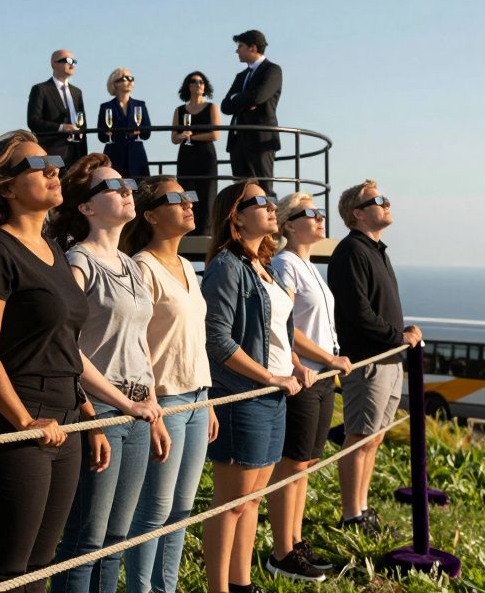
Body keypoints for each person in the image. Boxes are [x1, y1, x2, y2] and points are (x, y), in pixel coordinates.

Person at [0, 130, 110, 592]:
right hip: (17, 422)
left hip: (65, 419)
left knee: (41, 567)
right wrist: (22, 420)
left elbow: (62, 345)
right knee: (6, 571)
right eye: (37, 165)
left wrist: (87, 416)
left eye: (54, 161)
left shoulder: (53, 249)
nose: (53, 169)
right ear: (6, 187)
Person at [48, 154, 164, 593]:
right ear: (86, 207)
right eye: (112, 187)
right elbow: (68, 347)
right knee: (85, 540)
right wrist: (98, 412)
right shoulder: (79, 262)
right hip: (101, 410)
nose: (126, 191)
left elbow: (140, 344)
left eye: (127, 184)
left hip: (136, 410)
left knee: (117, 539)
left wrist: (149, 406)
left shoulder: (134, 265)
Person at [200, 180, 314, 593]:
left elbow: (279, 333)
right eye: (260, 202)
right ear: (236, 215)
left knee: (251, 500)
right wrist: (269, 377)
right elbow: (216, 338)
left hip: (274, 396)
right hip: (243, 397)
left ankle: (241, 583)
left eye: (270, 200)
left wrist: (296, 365)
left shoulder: (261, 265)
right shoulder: (226, 266)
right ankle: (219, 588)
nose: (271, 207)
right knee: (230, 504)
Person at [120, 176, 218, 593]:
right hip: (164, 400)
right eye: (174, 199)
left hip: (196, 397)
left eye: (189, 196)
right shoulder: (142, 266)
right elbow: (136, 346)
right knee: (154, 511)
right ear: (150, 214)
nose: (188, 203)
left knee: (182, 509)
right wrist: (150, 406)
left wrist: (208, 399)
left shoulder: (188, 270)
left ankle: (167, 587)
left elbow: (193, 340)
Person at [266, 193, 356, 581]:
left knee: (306, 463)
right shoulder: (285, 263)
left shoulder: (307, 264)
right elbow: (286, 324)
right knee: (291, 465)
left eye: (320, 213)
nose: (320, 218)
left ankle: (295, 541)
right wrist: (308, 362)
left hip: (320, 376)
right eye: (310, 214)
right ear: (288, 224)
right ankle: (281, 551)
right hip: (307, 375)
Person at [329, 181, 422, 534]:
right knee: (359, 437)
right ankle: (352, 515)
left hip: (388, 359)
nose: (387, 203)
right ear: (357, 212)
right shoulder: (351, 251)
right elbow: (358, 312)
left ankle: (362, 510)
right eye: (378, 200)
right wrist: (398, 337)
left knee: (373, 438)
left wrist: (402, 334)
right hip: (369, 361)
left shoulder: (375, 250)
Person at [220, 30, 282, 199]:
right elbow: (225, 106)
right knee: (241, 192)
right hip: (238, 141)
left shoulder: (272, 71)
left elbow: (259, 96)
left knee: (264, 189)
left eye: (240, 46)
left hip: (261, 140)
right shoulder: (241, 76)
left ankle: (271, 223)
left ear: (253, 48)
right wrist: (246, 102)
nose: (236, 51)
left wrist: (237, 99)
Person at [172, 71, 220, 235]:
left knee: (207, 195)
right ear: (188, 86)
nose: (198, 84)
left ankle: (206, 232)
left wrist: (193, 136)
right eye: (194, 81)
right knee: (187, 192)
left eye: (201, 81)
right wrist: (182, 136)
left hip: (205, 156)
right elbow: (174, 138)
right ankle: (187, 230)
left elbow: (215, 134)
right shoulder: (179, 110)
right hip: (186, 155)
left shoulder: (211, 107)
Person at [27, 49, 88, 166]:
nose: (72, 64)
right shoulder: (40, 89)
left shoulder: (77, 92)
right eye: (68, 60)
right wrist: (61, 127)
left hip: (76, 154)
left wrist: (84, 155)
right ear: (54, 63)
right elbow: (33, 121)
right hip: (50, 152)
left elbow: (82, 125)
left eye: (74, 61)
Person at [96, 67, 152, 177]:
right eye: (126, 78)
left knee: (139, 189)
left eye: (132, 78)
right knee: (114, 188)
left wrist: (135, 132)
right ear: (115, 83)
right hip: (115, 154)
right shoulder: (106, 107)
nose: (130, 81)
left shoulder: (140, 105)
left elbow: (147, 132)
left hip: (136, 154)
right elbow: (102, 136)